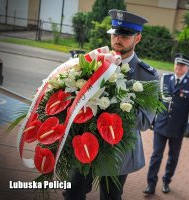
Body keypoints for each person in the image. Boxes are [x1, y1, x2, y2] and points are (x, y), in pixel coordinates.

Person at [63, 9, 159, 200]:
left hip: (118, 150)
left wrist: (114, 101)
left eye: (125, 35)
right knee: (72, 193)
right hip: (86, 142)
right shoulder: (94, 63)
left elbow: (144, 122)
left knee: (110, 197)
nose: (118, 39)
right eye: (115, 34)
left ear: (137, 38)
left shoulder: (148, 76)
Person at [143, 53, 189, 195]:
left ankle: (166, 181)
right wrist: (152, 119)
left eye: (182, 65)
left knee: (173, 157)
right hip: (161, 124)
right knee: (156, 155)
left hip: (178, 128)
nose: (178, 67)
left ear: (187, 68)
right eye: (177, 64)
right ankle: (151, 184)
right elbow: (156, 100)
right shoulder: (165, 79)